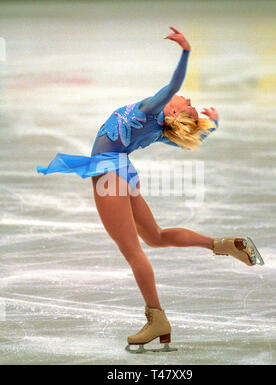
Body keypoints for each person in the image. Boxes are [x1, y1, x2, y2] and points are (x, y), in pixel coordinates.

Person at [37, 27, 264, 353]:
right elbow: (193, 140)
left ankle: (156, 317)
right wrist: (211, 126)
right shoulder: (157, 129)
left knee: (134, 252)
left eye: (188, 104)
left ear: (171, 111)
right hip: (120, 171)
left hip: (108, 172)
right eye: (190, 102)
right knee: (155, 237)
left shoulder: (150, 111)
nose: (187, 100)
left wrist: (185, 51)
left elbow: (174, 85)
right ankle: (224, 244)